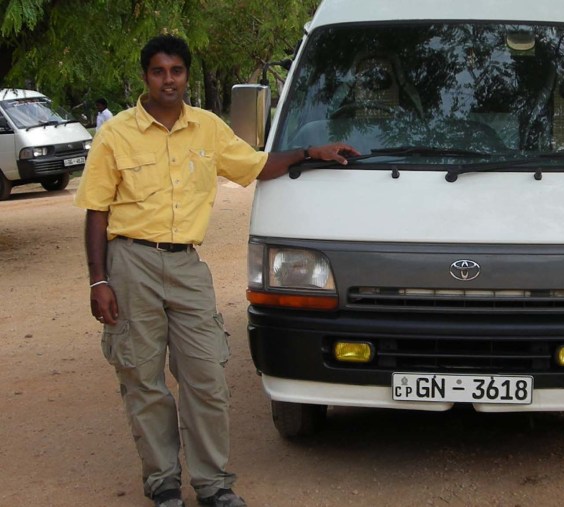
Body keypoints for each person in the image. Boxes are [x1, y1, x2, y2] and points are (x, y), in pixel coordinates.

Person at [74, 34, 358, 507]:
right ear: (146, 77)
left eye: (177, 71)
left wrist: (311, 153)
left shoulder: (207, 128)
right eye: (159, 71)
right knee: (143, 379)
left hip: (187, 264)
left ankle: (213, 485)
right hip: (130, 261)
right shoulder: (115, 134)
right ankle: (163, 483)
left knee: (206, 375)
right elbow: (96, 211)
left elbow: (257, 165)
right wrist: (98, 279)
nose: (169, 80)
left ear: (186, 75)